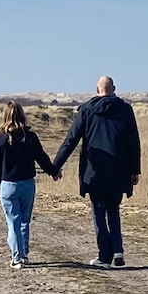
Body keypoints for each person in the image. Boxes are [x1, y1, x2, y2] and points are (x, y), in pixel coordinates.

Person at [53, 76, 141, 269]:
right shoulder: (125, 109)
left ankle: (104, 257)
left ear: (97, 90)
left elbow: (71, 140)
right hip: (119, 170)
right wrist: (135, 170)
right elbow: (133, 142)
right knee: (114, 210)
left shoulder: (86, 110)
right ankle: (117, 251)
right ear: (114, 88)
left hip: (94, 172)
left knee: (99, 213)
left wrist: (56, 166)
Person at [0, 101, 60, 269]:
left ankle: (16, 257)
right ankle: (24, 254)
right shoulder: (30, 138)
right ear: (22, 115)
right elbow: (41, 157)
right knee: (24, 221)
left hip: (7, 185)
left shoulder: (0, 140)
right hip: (27, 184)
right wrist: (53, 171)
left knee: (12, 222)